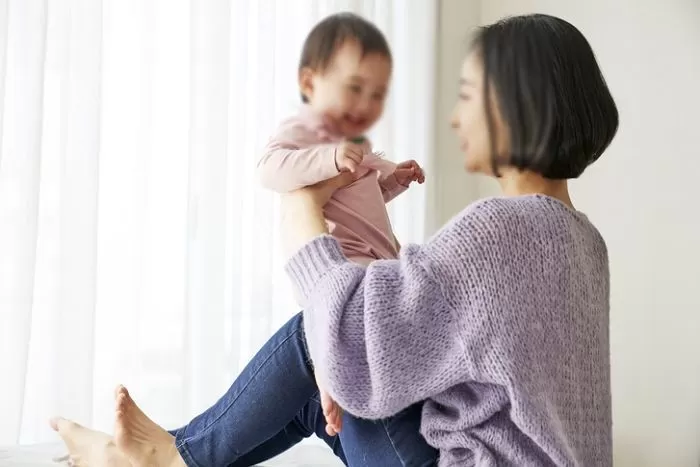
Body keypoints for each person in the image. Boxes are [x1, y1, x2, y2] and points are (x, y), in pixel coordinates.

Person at [50, 12, 618, 467]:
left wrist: (302, 202)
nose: (454, 118)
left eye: (468, 96)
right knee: (313, 400)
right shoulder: (584, 244)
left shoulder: (497, 231)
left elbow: (347, 330)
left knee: (318, 334)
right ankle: (170, 454)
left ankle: (164, 460)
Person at [256, 12, 425, 434]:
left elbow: (360, 193)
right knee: (355, 325)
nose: (365, 105)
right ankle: (329, 378)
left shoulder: (357, 144)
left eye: (376, 94)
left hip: (377, 256)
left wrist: (393, 178)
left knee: (387, 327)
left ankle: (339, 380)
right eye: (354, 88)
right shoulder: (304, 130)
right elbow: (269, 169)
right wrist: (327, 158)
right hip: (338, 258)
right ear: (310, 84)